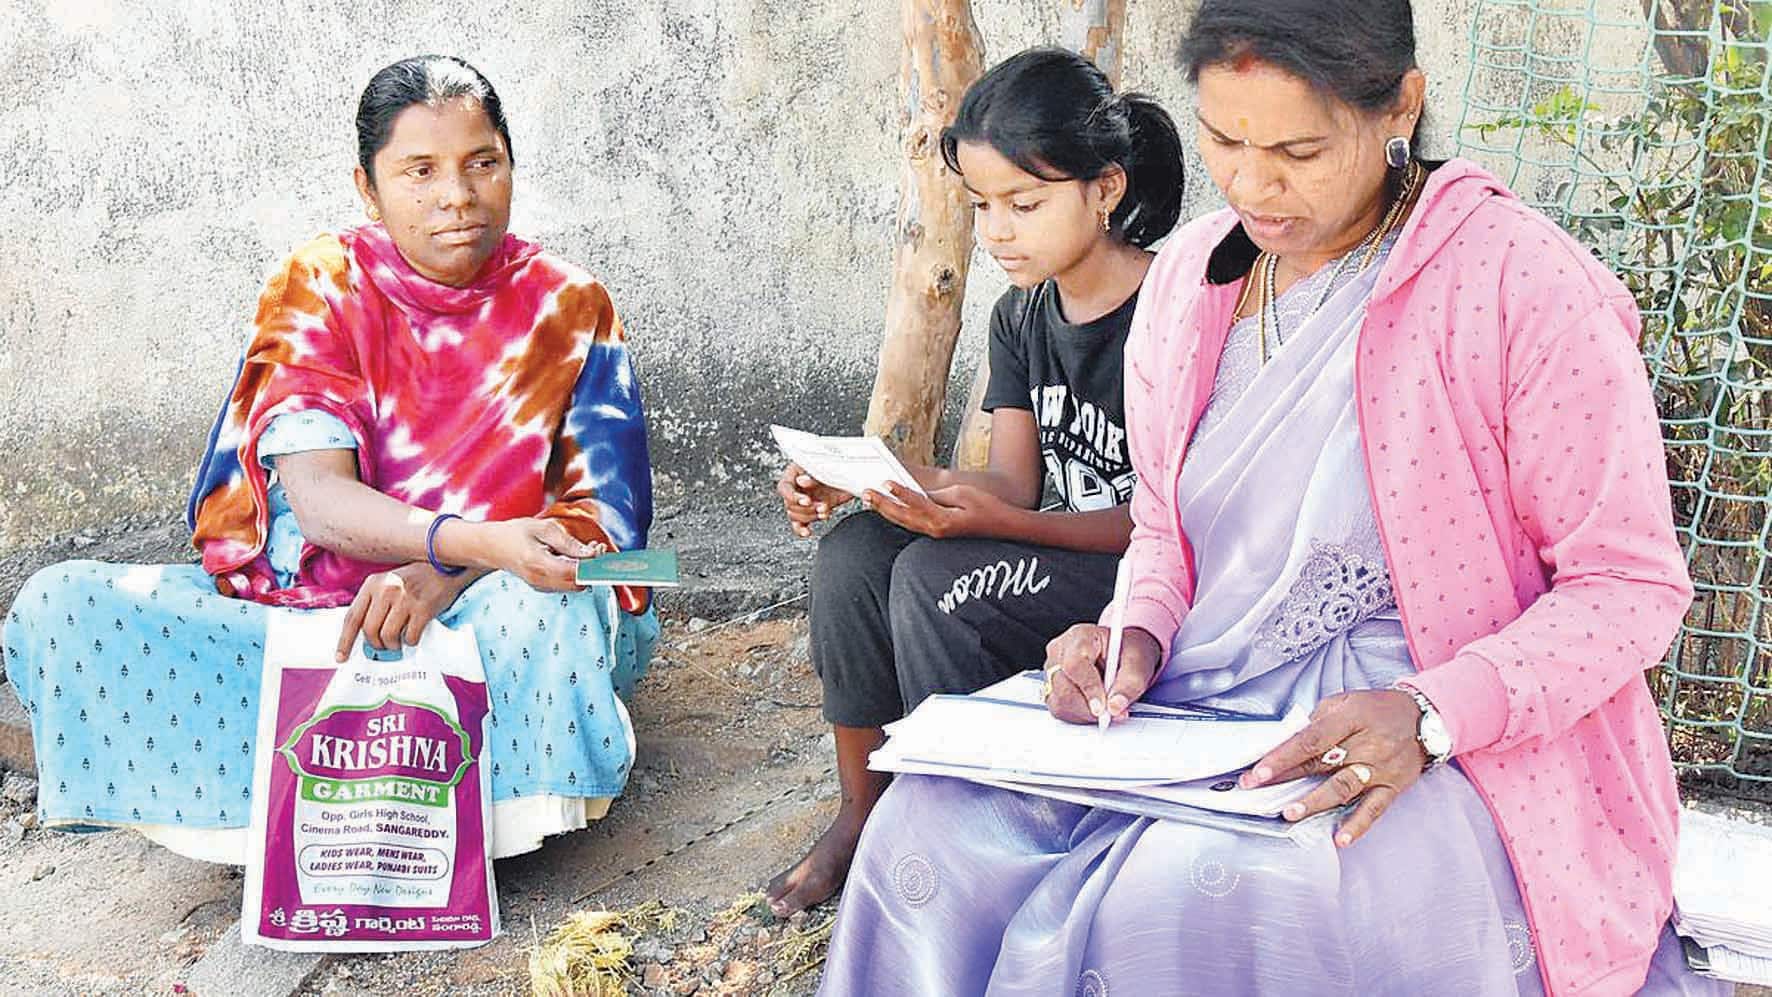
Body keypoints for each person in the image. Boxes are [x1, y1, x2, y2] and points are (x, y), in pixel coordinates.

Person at [817, 3, 1731, 994]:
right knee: (925, 825)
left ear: (1401, 107)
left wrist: (1428, 714)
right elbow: (1164, 531)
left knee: (1183, 895)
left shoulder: (1522, 285)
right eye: (1223, 140)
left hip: (1439, 730)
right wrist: (1132, 632)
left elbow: (1627, 587)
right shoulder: (1191, 280)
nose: (1253, 185)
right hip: (1196, 700)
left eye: (1297, 151)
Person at [3, 55, 659, 861]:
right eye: (420, 171)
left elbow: (620, 545)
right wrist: (470, 541)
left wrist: (456, 572)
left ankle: (476, 821)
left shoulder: (569, 302)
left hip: (489, 620)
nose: (458, 195)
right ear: (368, 188)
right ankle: (309, 816)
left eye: (482, 163)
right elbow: (317, 500)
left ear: (511, 167)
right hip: (315, 623)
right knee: (61, 603)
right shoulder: (324, 282)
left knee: (560, 609)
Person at [765, 48, 1186, 917]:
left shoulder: (1170, 309)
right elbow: (1013, 483)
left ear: (1105, 190)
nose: (997, 231)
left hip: (1143, 577)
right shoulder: (1022, 314)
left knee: (936, 580)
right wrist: (867, 481)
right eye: (982, 204)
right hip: (1059, 544)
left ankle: (963, 834)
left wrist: (985, 526)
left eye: (1024, 205)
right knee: (855, 556)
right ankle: (864, 808)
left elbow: (1158, 522)